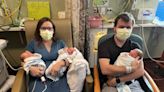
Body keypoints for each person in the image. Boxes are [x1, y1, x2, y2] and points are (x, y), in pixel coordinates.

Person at [98, 12, 145, 92]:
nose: (125, 30)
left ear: (132, 28)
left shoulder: (135, 47)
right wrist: (131, 69)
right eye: (121, 27)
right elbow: (105, 69)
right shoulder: (104, 45)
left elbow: (140, 71)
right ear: (115, 28)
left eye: (128, 27)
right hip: (110, 83)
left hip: (130, 83)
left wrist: (118, 80)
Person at [20, 17, 70, 92]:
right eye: (43, 28)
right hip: (39, 77)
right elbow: (24, 59)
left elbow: (70, 57)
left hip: (58, 76)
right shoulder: (33, 43)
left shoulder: (60, 43)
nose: (47, 31)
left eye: (50, 28)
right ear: (39, 30)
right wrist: (30, 69)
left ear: (53, 31)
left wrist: (61, 63)